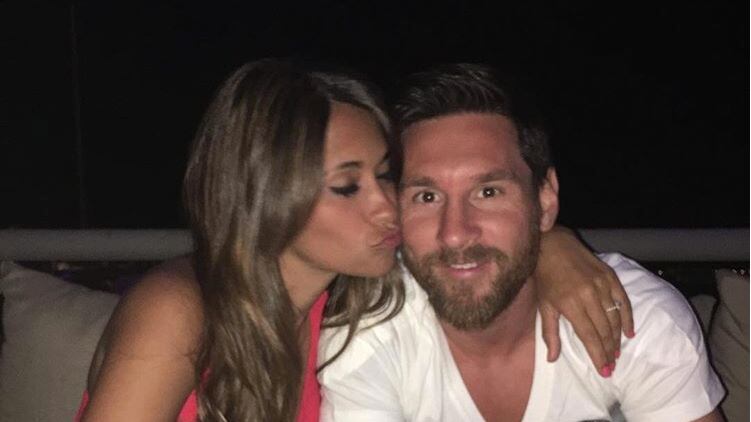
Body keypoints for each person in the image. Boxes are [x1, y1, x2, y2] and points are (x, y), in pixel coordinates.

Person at [78, 59, 632, 422]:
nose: (387, 205)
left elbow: (468, 255)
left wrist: (552, 246)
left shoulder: (352, 303)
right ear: (267, 195)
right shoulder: (180, 310)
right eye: (348, 187)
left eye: (386, 175)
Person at [318, 64, 725, 421]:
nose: (455, 232)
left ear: (545, 200)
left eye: (488, 192)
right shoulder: (369, 336)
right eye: (427, 197)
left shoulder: (631, 318)